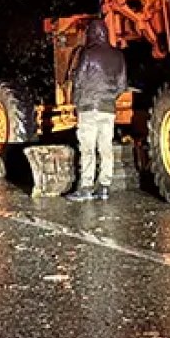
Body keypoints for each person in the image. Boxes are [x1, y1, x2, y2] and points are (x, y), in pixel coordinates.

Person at [66, 19, 127, 202]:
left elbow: (79, 80)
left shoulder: (88, 54)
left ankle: (86, 187)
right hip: (108, 109)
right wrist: (110, 98)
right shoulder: (118, 56)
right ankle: (105, 187)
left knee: (87, 148)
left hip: (88, 107)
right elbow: (122, 86)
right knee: (106, 148)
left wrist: (76, 102)